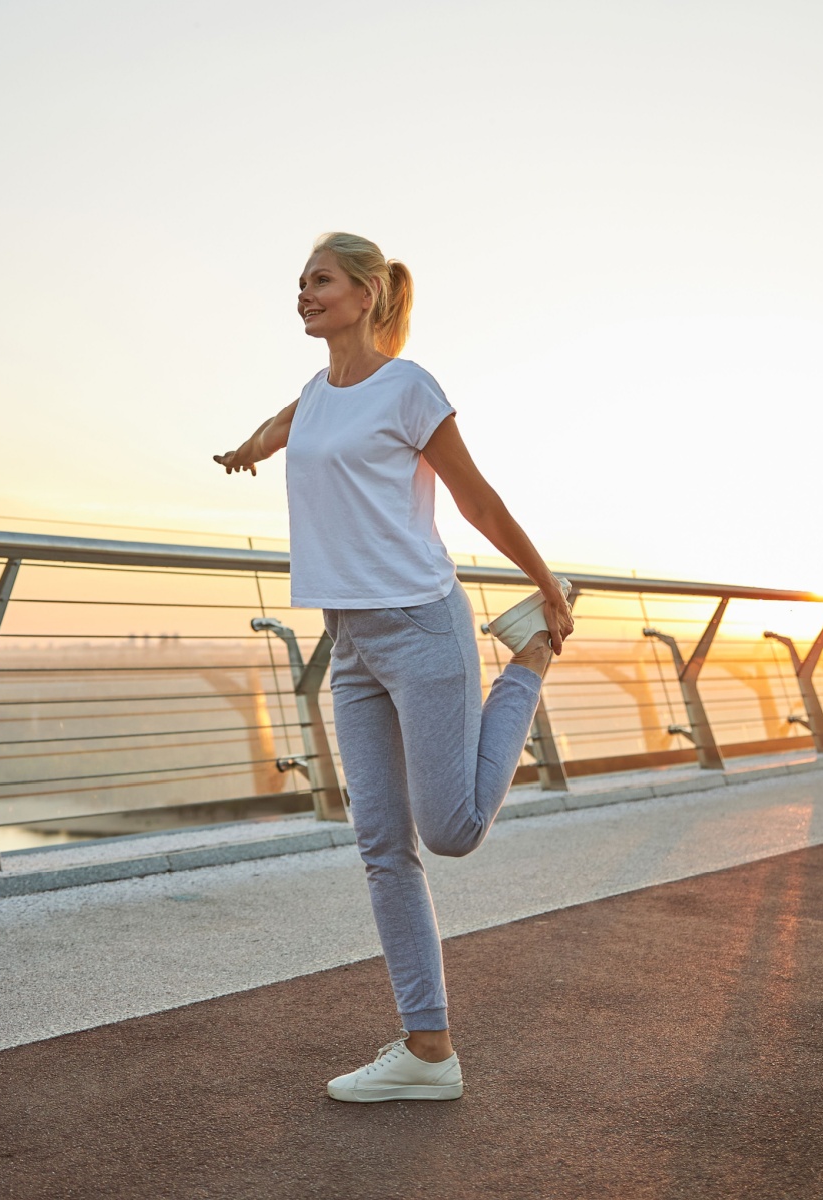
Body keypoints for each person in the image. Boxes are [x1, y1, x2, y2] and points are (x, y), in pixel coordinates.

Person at [213, 232, 574, 1102]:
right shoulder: (314, 393)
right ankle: (428, 1052)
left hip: (420, 624)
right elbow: (282, 424)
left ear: (368, 293)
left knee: (449, 831)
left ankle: (525, 660)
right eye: (299, 283)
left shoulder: (409, 387)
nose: (304, 294)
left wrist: (542, 584)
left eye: (321, 282)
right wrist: (246, 450)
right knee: (381, 845)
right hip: (352, 642)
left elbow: (475, 496)